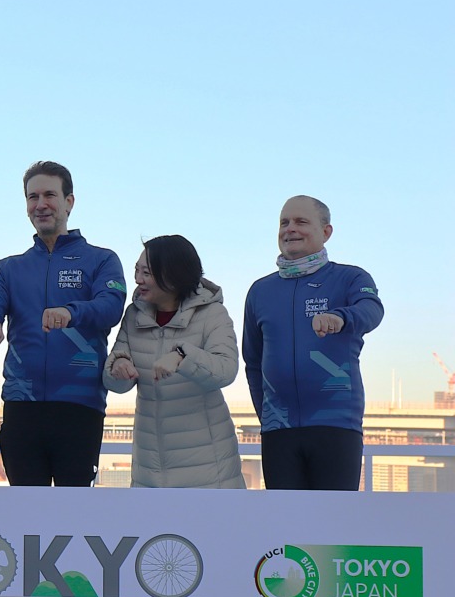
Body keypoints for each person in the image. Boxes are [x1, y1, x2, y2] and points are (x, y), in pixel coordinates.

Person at [0, 161, 126, 486]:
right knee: (26, 509)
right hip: (21, 407)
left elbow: (111, 306)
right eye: (33, 197)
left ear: (69, 202)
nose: (40, 204)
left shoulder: (102, 260)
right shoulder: (9, 268)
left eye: (49, 195)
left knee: (74, 508)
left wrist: (71, 312)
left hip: (79, 406)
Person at [242, 195, 383, 491]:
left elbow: (372, 310)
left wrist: (340, 317)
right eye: (284, 222)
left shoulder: (350, 278)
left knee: (333, 518)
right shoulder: (260, 291)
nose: (290, 228)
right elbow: (253, 362)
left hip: (336, 425)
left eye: (301, 221)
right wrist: (267, 416)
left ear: (326, 232)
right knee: (285, 518)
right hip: (278, 431)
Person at [104, 235, 244, 488]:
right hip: (150, 469)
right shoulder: (134, 315)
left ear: (172, 276)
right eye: (137, 270)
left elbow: (226, 370)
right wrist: (118, 366)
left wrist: (182, 356)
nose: (138, 279)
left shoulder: (212, 314)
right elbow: (116, 382)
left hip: (208, 470)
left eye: (146, 273)